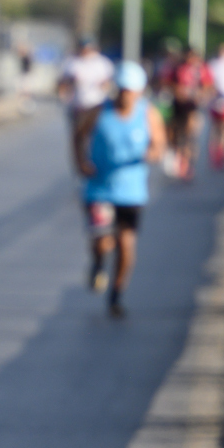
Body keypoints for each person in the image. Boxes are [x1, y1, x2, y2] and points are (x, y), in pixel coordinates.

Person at [74, 61, 167, 318]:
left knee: (126, 244)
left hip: (131, 192)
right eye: (122, 89)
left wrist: (153, 152)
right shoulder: (98, 112)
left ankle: (117, 293)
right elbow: (78, 134)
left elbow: (159, 143)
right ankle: (99, 263)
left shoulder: (148, 114)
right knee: (103, 241)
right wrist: (80, 161)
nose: (125, 95)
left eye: (130, 90)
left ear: (139, 91)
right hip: (100, 190)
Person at [57, 38, 114, 144]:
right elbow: (62, 83)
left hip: (97, 106)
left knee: (96, 136)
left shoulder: (102, 63)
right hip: (78, 106)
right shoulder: (71, 62)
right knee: (79, 137)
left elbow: (109, 83)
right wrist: (70, 84)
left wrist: (103, 85)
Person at [166, 46, 209, 180]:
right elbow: (168, 83)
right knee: (176, 135)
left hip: (192, 106)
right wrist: (177, 91)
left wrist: (200, 95)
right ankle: (179, 159)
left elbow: (208, 85)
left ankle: (188, 164)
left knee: (191, 135)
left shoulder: (200, 69)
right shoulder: (178, 68)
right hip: (178, 106)